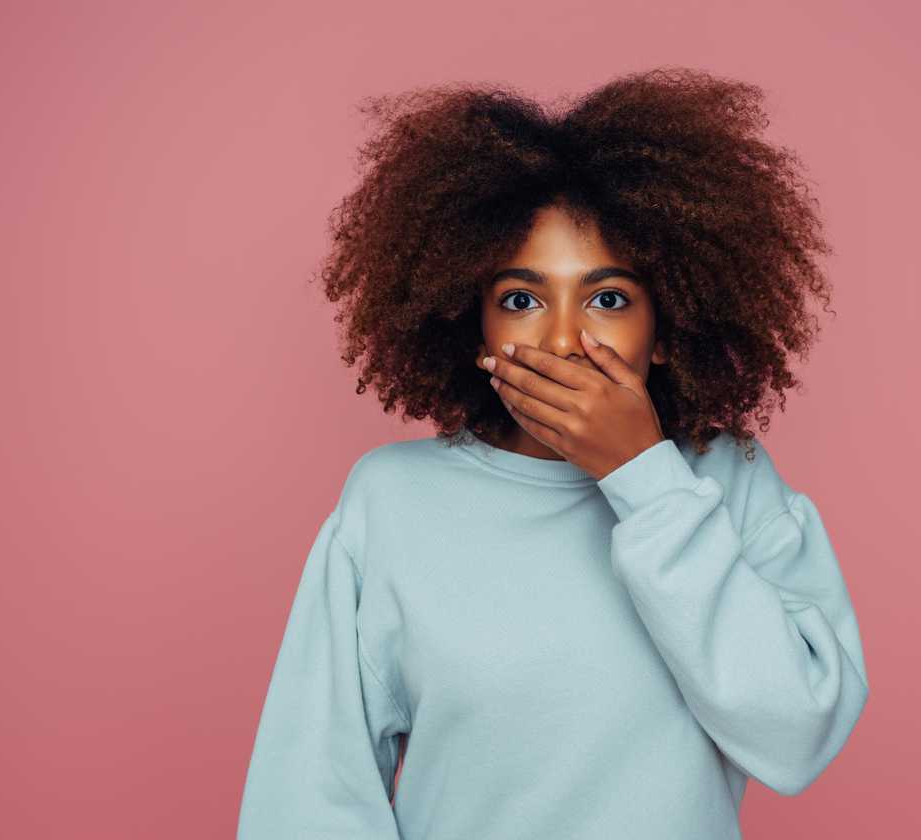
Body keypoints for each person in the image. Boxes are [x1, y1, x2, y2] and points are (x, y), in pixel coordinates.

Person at [236, 67, 869, 840]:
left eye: (608, 298)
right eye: (521, 300)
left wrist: (644, 479)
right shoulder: (391, 504)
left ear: (664, 332)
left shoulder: (725, 482)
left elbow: (798, 735)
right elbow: (310, 796)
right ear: (474, 331)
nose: (564, 340)